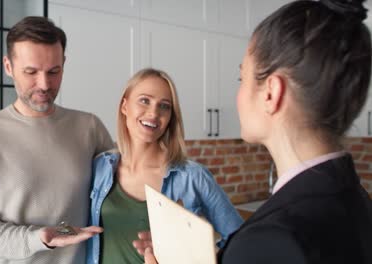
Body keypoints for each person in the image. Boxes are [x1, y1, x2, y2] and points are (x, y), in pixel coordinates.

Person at [141, 0, 372, 263]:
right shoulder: (356, 199)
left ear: (272, 93)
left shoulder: (269, 239)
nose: (238, 94)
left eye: (243, 78)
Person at [0, 16, 114, 264]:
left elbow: (119, 193)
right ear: (8, 66)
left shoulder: (89, 127)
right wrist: (40, 238)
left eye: (54, 72)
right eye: (31, 72)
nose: (44, 84)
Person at [86, 68, 243, 264]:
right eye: (144, 100)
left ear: (170, 118)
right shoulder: (100, 168)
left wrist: (193, 249)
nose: (153, 113)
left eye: (164, 106)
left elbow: (242, 242)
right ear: (124, 106)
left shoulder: (192, 177)